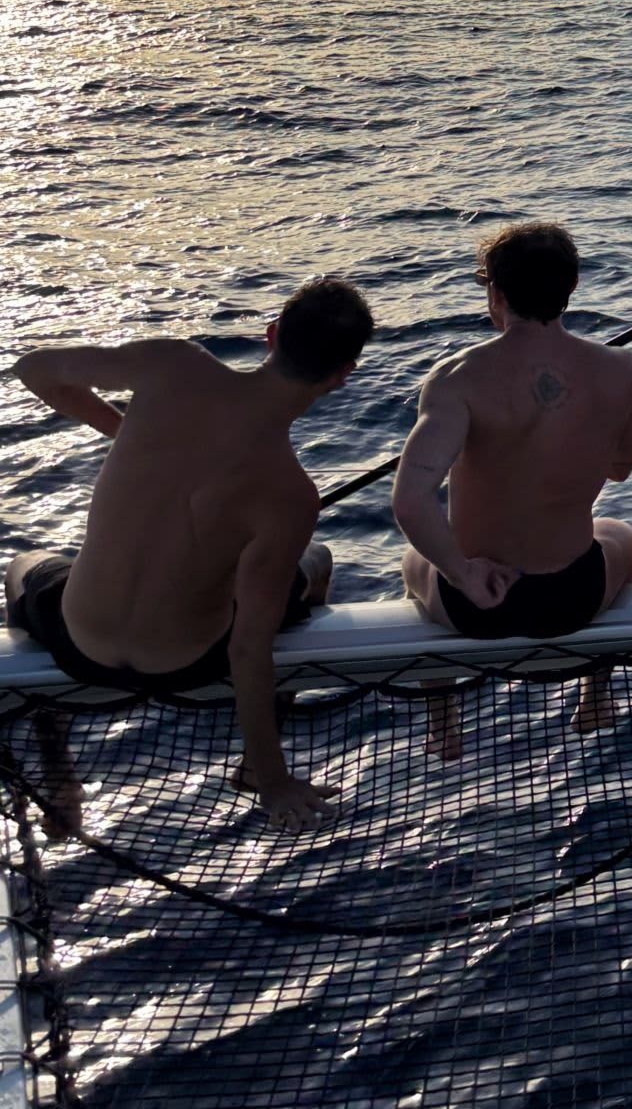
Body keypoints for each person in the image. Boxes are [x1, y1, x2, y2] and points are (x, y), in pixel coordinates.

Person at [6, 278, 372, 832]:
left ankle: (58, 769)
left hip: (79, 642)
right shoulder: (291, 495)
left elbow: (32, 369)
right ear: (344, 374)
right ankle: (252, 761)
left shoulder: (173, 366)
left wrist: (122, 428)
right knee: (315, 560)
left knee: (23, 566)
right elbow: (249, 646)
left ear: (271, 335)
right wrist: (274, 780)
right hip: (183, 662)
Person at [394, 223, 632, 745]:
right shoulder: (621, 369)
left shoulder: (455, 379)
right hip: (573, 596)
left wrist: (462, 573)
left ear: (496, 292)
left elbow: (411, 501)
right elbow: (622, 468)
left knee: (411, 560)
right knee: (618, 531)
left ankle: (443, 722)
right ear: (571, 288)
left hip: (479, 603)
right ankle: (595, 697)